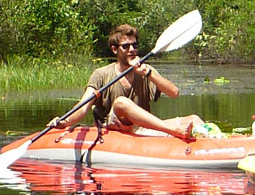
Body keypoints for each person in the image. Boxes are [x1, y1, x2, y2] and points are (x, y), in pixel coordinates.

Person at [53, 23, 203, 141]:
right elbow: (83, 106)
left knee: (194, 119)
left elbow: (174, 93)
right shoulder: (101, 74)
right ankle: (173, 131)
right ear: (114, 50)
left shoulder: (146, 70)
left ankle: (219, 143)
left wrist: (148, 74)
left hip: (142, 127)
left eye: (135, 45)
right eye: (125, 46)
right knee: (121, 102)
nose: (132, 49)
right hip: (115, 128)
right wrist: (64, 121)